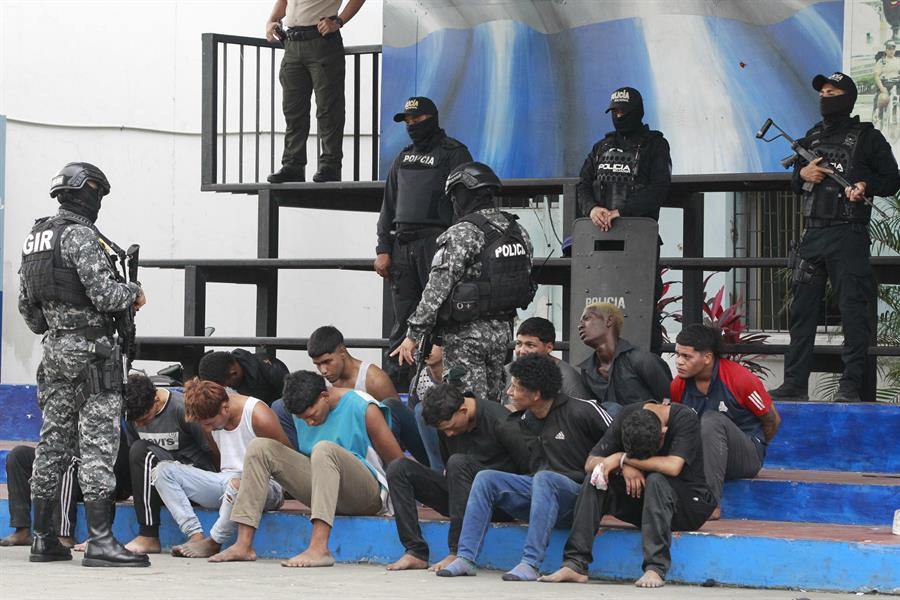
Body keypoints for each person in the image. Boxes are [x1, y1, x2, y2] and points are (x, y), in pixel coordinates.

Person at [18, 162, 149, 567]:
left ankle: (43, 538)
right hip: (94, 355)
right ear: (89, 192)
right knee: (97, 444)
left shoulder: (36, 237)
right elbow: (107, 296)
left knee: (52, 442)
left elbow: (29, 310)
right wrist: (134, 290)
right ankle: (100, 541)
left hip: (54, 351)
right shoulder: (80, 236)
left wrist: (60, 325)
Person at [768, 72, 900, 402]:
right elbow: (795, 183)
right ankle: (795, 383)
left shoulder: (867, 137)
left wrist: (865, 186)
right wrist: (802, 174)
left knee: (853, 312)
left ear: (847, 97)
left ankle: (850, 386)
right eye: (822, 91)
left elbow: (892, 179)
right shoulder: (811, 136)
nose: (825, 96)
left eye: (832, 91)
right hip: (813, 233)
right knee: (802, 312)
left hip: (848, 233)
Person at [437, 354, 613, 581]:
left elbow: (619, 437)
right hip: (543, 495)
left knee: (545, 478)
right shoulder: (526, 421)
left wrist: (622, 466)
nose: (509, 392)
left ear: (537, 393)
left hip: (580, 500)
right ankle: (465, 557)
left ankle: (530, 563)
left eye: (517, 387)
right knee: (486, 478)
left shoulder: (583, 410)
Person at [208, 370, 403, 566]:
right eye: (303, 419)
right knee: (260, 447)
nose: (308, 422)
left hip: (365, 495)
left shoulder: (363, 406)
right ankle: (243, 545)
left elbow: (398, 462)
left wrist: (403, 510)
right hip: (323, 490)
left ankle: (319, 548)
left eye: (311, 416)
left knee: (323, 449)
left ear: (324, 396)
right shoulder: (299, 413)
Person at [392, 162, 535, 405]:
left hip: (466, 335)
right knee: (493, 405)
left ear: (463, 194)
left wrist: (413, 335)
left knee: (466, 407)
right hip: (502, 332)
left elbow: (436, 290)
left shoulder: (462, 233)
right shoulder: (518, 231)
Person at [539, 401, 716, 588]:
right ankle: (575, 564)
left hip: (688, 505)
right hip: (645, 501)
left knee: (656, 478)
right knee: (596, 477)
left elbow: (673, 466)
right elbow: (590, 462)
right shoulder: (628, 416)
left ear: (663, 433)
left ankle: (655, 568)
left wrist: (621, 458)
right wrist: (623, 466)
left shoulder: (685, 418)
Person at [375, 97, 473, 389]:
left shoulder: (454, 153)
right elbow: (388, 205)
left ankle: (448, 389)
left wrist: (456, 248)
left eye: (416, 120)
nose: (411, 126)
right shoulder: (402, 157)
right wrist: (382, 248)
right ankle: (399, 392)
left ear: (432, 118)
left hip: (437, 243)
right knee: (402, 322)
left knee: (442, 317)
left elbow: (464, 202)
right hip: (403, 245)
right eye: (407, 121)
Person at [385, 383, 530, 572]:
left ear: (463, 410)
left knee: (457, 462)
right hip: (461, 498)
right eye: (444, 430)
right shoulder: (447, 424)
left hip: (500, 504)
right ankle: (415, 551)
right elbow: (450, 472)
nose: (449, 434)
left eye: (451, 428)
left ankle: (457, 551)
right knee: (398, 468)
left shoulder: (502, 422)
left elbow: (528, 474)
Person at [576, 87, 672, 354]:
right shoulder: (601, 147)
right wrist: (592, 208)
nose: (618, 116)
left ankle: (647, 367)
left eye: (623, 112)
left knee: (642, 307)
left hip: (639, 242)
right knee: (597, 305)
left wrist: (622, 212)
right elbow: (582, 184)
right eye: (614, 111)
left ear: (637, 112)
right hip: (599, 242)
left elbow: (659, 188)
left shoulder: (655, 145)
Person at [152, 378, 290, 558]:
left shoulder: (257, 414)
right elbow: (217, 459)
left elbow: (286, 460)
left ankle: (214, 541)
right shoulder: (209, 421)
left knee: (237, 484)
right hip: (226, 483)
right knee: (163, 471)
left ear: (225, 408)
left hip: (266, 486)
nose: (206, 428)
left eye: (209, 423)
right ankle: (195, 535)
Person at [271, 325, 428, 463]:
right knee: (279, 406)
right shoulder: (321, 382)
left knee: (390, 406)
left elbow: (395, 424)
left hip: (368, 450)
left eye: (327, 361)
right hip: (333, 446)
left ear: (342, 351)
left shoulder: (374, 380)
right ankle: (304, 465)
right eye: (318, 365)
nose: (323, 370)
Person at [671, 325, 781, 516]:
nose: (679, 362)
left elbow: (772, 421)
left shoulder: (740, 379)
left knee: (712, 420)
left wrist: (756, 446)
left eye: (686, 357)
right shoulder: (678, 385)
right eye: (677, 355)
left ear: (707, 358)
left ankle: (710, 505)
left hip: (747, 455)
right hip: (706, 456)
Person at [265, 0, 367, 183]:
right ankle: (292, 165)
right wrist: (272, 21)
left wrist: (338, 22)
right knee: (293, 110)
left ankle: (330, 165)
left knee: (328, 108)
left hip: (320, 40)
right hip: (292, 42)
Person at [120, 373, 216, 554]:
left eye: (144, 419)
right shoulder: (132, 415)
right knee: (135, 450)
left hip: (193, 479)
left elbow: (210, 450)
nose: (139, 425)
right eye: (136, 422)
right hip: (161, 481)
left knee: (142, 450)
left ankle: (148, 535)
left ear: (156, 399)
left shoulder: (181, 408)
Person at [1, 433, 131, 548]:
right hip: (70, 472)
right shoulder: (63, 411)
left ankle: (63, 534)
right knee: (18, 456)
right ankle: (22, 530)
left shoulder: (98, 412)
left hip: (99, 481)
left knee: (66, 461)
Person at [577, 302, 671, 409]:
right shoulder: (587, 371)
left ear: (609, 320)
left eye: (587, 318)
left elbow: (668, 400)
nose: (580, 326)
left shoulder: (643, 360)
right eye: (580, 322)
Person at [504, 317, 591, 405]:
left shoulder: (567, 378)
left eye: (530, 345)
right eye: (519, 344)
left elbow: (581, 415)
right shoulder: (507, 371)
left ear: (549, 347)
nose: (522, 351)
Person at [198, 349, 288, 406]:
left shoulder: (272, 370)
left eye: (227, 385)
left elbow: (288, 402)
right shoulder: (237, 373)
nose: (227, 388)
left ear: (234, 374)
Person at [873, 40, 900, 123]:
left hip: (897, 84)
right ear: (886, 50)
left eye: (893, 49)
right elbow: (876, 76)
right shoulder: (881, 62)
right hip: (885, 84)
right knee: (883, 98)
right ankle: (879, 117)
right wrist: (882, 88)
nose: (891, 51)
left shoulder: (898, 60)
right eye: (889, 49)